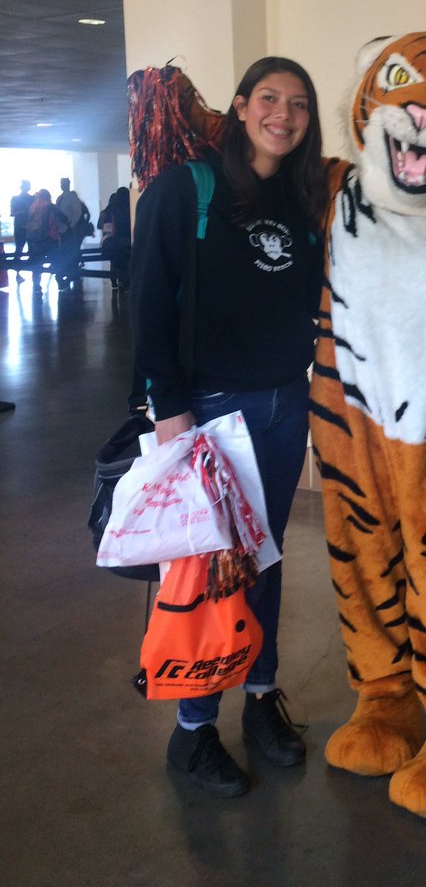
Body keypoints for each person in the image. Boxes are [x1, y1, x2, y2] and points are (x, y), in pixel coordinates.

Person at [131, 56, 326, 798]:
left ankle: (259, 695)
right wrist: (171, 410)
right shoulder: (187, 190)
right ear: (241, 107)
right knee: (210, 573)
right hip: (210, 411)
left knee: (264, 560)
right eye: (270, 98)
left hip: (284, 404)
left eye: (300, 104)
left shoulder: (303, 198)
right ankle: (192, 731)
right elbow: (149, 305)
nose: (284, 113)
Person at [55, 177, 90, 287]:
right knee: (68, 251)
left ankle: (70, 273)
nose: (62, 185)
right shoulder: (61, 198)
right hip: (64, 229)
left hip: (69, 229)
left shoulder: (69, 197)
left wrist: (71, 224)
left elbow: (77, 212)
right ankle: (70, 273)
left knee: (69, 251)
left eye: (63, 183)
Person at [25, 189, 60, 295]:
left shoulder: (33, 208)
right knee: (56, 261)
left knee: (37, 264)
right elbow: (63, 219)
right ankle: (60, 281)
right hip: (50, 240)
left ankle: (36, 286)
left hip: (35, 240)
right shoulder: (52, 207)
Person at [97, 187, 132, 290]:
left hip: (116, 240)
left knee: (116, 259)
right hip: (128, 239)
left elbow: (100, 223)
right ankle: (125, 280)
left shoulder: (113, 207)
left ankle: (117, 279)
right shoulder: (130, 206)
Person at [10, 179, 33, 280]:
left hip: (19, 226)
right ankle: (34, 271)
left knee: (18, 249)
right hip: (29, 226)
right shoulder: (31, 199)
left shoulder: (15, 199)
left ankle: (18, 272)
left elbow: (13, 213)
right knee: (31, 249)